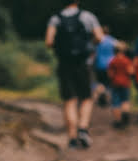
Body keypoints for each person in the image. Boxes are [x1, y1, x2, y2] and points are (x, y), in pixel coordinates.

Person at [45, 0, 104, 149]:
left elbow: (49, 41)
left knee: (69, 100)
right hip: (82, 63)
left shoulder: (55, 18)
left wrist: (61, 47)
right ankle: (83, 129)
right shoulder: (87, 16)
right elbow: (99, 37)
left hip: (64, 64)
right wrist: (88, 44)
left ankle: (71, 138)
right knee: (86, 98)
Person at [107, 42, 134, 129]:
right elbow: (131, 72)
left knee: (116, 102)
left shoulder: (112, 61)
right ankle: (125, 115)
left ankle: (117, 121)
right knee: (125, 100)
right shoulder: (127, 60)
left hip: (115, 84)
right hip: (125, 83)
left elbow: (110, 74)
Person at [93, 26, 117, 107]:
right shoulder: (113, 41)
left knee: (100, 82)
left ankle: (100, 95)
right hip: (111, 65)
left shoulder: (98, 40)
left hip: (99, 64)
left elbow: (94, 52)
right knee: (109, 83)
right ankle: (107, 99)